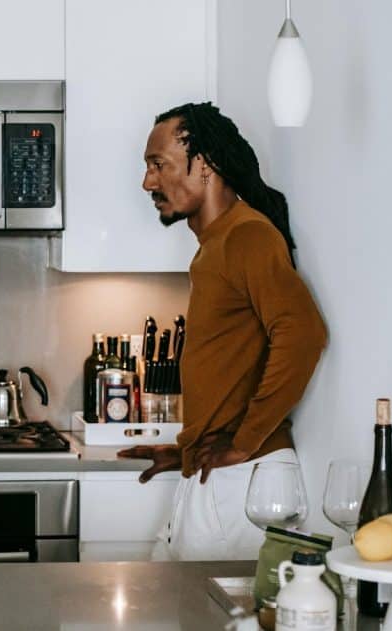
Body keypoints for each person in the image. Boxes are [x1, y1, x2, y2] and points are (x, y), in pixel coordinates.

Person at [118, 103, 327, 561]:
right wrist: (187, 449)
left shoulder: (246, 235)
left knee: (188, 600)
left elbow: (304, 334)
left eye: (158, 165)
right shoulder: (217, 244)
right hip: (224, 476)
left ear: (205, 165)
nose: (148, 182)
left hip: (243, 480)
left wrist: (243, 441)